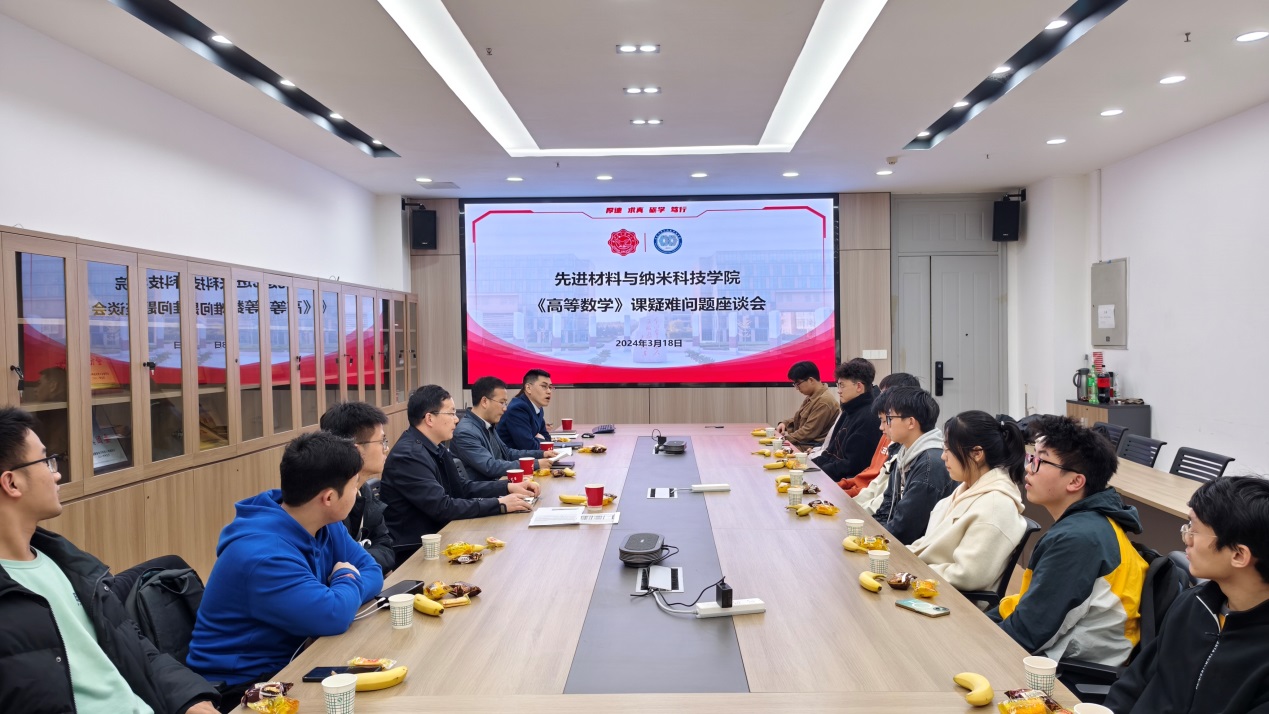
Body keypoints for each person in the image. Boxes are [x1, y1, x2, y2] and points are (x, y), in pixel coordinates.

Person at [0, 406, 219, 714]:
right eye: (46, 461)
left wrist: (191, 699)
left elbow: (136, 649)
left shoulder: (67, 564)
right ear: (12, 483)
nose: (57, 473)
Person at [186, 432, 383, 702]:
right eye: (354, 485)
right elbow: (334, 614)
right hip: (242, 686)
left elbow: (372, 570)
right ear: (328, 498)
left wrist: (339, 595)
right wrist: (346, 576)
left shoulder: (323, 522)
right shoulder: (264, 555)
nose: (358, 492)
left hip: (298, 657)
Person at [987, 415, 1148, 666]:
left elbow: (1028, 634)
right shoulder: (1087, 524)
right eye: (1032, 457)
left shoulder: (1078, 539)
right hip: (1056, 655)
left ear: (1075, 481)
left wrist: (977, 639)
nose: (1029, 468)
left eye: (1040, 461)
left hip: (1068, 673)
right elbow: (1030, 609)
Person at [1105, 476, 1269, 714]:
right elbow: (1134, 683)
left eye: (1194, 529)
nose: (1186, 538)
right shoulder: (1192, 604)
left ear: (1238, 555)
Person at [381, 385, 539, 562]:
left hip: (444, 535)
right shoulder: (409, 456)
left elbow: (462, 488)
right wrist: (499, 504)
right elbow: (443, 507)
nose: (456, 420)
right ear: (429, 418)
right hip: (417, 551)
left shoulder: (435, 446)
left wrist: (508, 487)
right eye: (451, 413)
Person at [908, 411, 1028, 592]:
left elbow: (968, 575)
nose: (943, 456)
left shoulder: (996, 506)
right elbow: (929, 544)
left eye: (948, 449)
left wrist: (914, 571)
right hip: (931, 583)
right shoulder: (968, 488)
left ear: (977, 454)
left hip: (952, 598)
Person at [870, 387, 955, 545]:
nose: (883, 426)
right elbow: (887, 506)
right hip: (896, 542)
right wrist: (870, 533)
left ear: (910, 422)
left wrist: (870, 540)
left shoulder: (930, 465)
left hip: (915, 551)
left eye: (889, 418)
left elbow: (905, 530)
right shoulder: (904, 453)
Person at [319, 401, 395, 573]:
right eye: (382, 441)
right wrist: (368, 561)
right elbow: (336, 563)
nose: (386, 448)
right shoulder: (328, 499)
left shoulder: (363, 489)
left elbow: (386, 548)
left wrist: (362, 561)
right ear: (356, 450)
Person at [451, 376, 555, 481]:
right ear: (484, 401)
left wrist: (542, 454)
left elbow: (507, 453)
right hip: (487, 489)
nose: (505, 408)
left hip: (498, 484)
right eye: (501, 403)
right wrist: (535, 464)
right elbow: (490, 466)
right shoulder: (466, 432)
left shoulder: (486, 424)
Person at [840, 372, 921, 497]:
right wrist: (842, 486)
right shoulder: (887, 433)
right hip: (861, 493)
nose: (880, 399)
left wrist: (844, 494)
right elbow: (871, 473)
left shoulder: (901, 441)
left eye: (885, 395)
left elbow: (879, 491)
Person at [810, 358, 880, 483]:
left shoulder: (869, 417)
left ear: (859, 386)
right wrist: (808, 466)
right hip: (830, 475)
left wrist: (818, 473)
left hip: (844, 483)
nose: (838, 390)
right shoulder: (849, 409)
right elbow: (830, 452)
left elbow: (852, 466)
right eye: (838, 385)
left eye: (842, 385)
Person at [774, 361, 840, 449]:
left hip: (811, 448)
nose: (797, 388)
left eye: (798, 384)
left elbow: (808, 432)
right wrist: (785, 424)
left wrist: (782, 439)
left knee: (773, 449)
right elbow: (800, 419)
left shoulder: (824, 401)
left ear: (811, 380)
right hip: (804, 444)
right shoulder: (812, 396)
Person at [497, 369, 554, 450]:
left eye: (550, 387)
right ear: (528, 388)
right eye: (544, 386)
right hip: (512, 457)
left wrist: (539, 439)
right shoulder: (518, 408)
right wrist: (542, 439)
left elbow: (547, 438)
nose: (549, 391)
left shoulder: (538, 408)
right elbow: (528, 446)